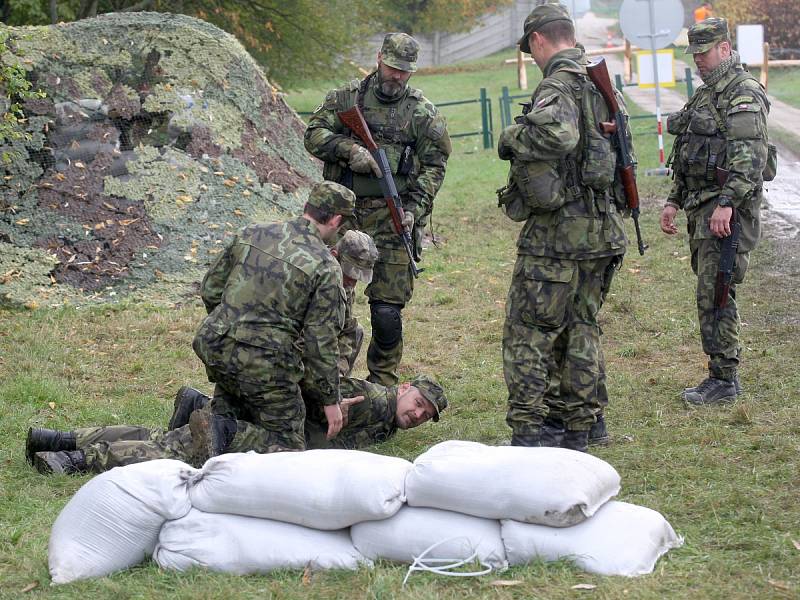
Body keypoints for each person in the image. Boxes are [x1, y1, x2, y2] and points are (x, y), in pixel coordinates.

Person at [496, 3, 630, 452]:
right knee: (582, 326)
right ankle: (584, 426)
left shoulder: (559, 84)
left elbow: (559, 136)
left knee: (529, 330)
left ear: (538, 40)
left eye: (529, 50)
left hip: (559, 235)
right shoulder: (600, 81)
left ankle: (531, 432)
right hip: (603, 229)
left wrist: (510, 138)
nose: (532, 59)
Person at [304, 33, 452, 386]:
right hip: (343, 217)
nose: (397, 76)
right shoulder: (345, 98)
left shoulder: (421, 111)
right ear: (378, 58)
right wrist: (346, 149)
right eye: (392, 67)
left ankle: (382, 387)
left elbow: (436, 164)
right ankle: (327, 378)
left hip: (393, 217)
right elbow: (313, 134)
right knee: (329, 299)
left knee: (387, 311)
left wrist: (415, 207)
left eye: (405, 71)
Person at [189, 180, 357, 462]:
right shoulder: (326, 266)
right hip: (265, 364)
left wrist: (234, 330)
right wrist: (330, 399)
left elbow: (210, 290)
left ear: (307, 207)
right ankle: (219, 431)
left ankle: (200, 417)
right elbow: (321, 340)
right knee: (288, 450)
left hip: (214, 344)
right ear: (337, 220)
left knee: (235, 403)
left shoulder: (252, 232)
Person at [661, 18, 771, 405]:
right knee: (710, 290)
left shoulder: (741, 93)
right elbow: (689, 153)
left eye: (704, 53)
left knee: (717, 292)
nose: (699, 62)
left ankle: (723, 378)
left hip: (727, 211)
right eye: (695, 55)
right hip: (702, 207)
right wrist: (674, 200)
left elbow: (750, 159)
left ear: (724, 49)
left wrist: (727, 203)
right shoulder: (706, 95)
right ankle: (724, 375)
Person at [25, 375, 447, 474]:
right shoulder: (375, 402)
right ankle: (74, 459)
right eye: (419, 402)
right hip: (260, 433)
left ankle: (58, 437)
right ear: (403, 386)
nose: (419, 413)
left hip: (261, 418)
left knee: (163, 437)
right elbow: (319, 393)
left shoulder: (385, 419)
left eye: (426, 415)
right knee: (176, 452)